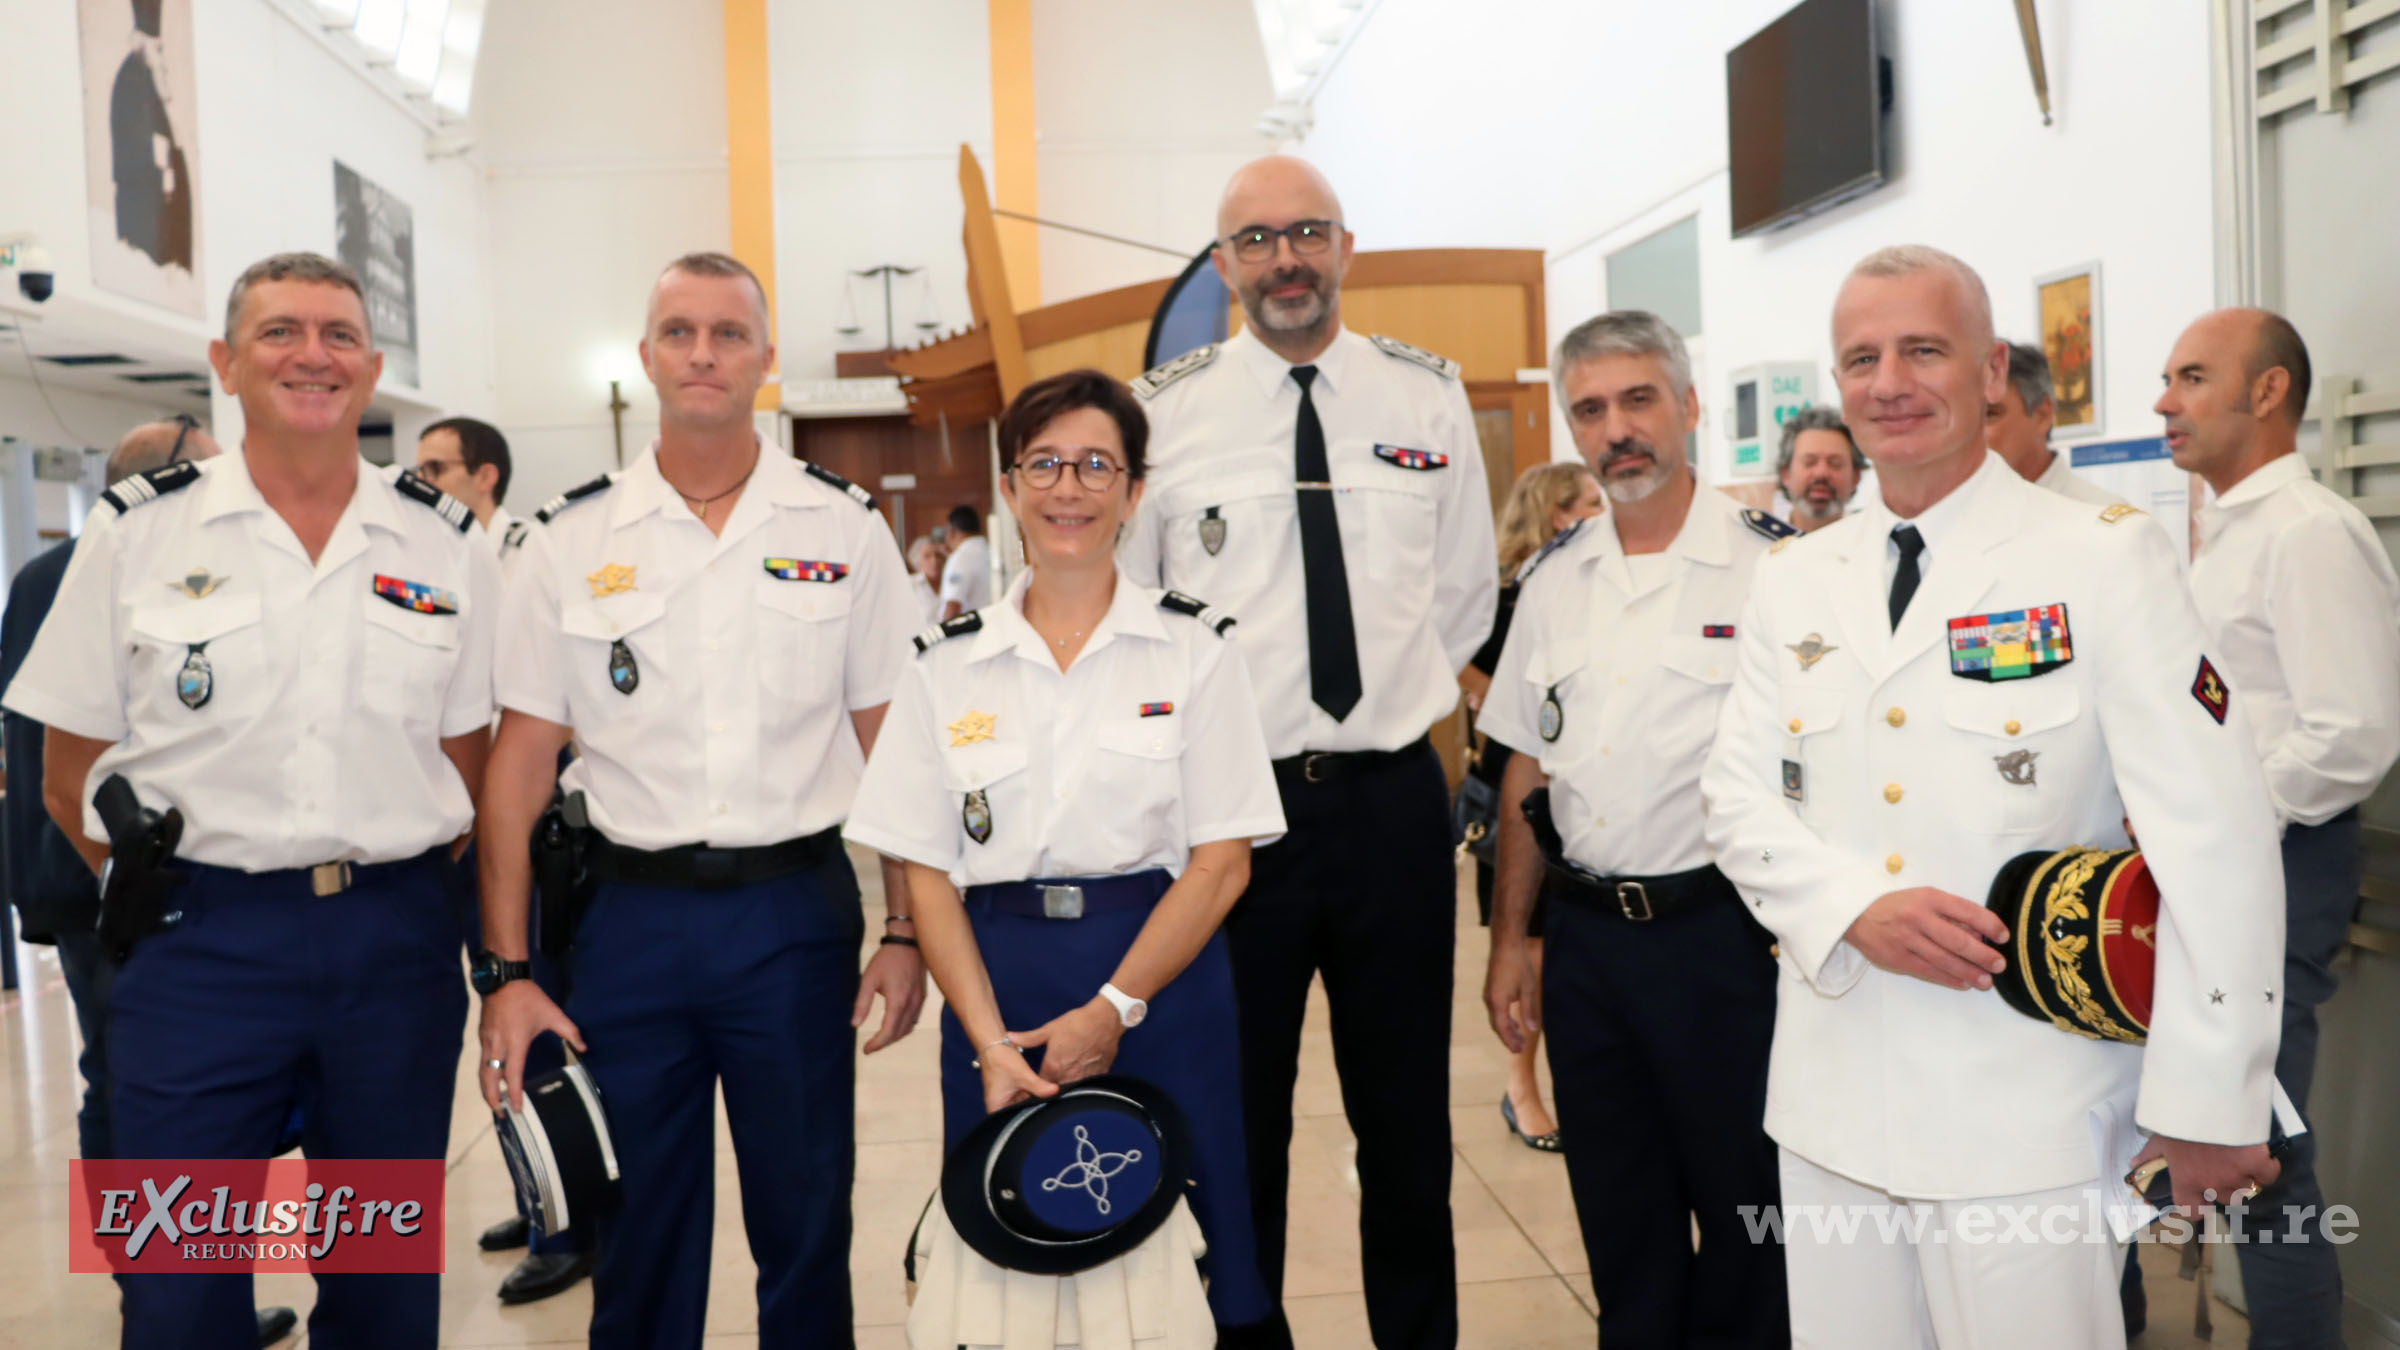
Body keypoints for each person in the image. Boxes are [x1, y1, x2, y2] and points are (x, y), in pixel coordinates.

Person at [1698, 244, 2286, 1348]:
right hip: (1833, 1095)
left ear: (1988, 377)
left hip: (2029, 1102)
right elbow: (1734, 792)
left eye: (1924, 349)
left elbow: (2215, 834)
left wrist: (2211, 1102)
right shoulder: (1796, 578)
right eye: (1862, 357)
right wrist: (1848, 907)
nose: (1889, 382)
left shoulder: (2102, 559)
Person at [2, 251, 501, 1348]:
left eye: (335, 334)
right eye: (280, 332)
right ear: (226, 362)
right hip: (196, 955)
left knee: (380, 1286)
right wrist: (170, 901)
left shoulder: (446, 542)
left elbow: (467, 767)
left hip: (389, 950)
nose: (310, 355)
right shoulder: (135, 532)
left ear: (370, 372)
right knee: (177, 1292)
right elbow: (65, 771)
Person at [472, 251, 927, 1349]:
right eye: (679, 332)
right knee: (641, 1228)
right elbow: (518, 769)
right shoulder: (567, 541)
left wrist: (907, 927)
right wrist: (508, 972)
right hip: (629, 926)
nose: (703, 353)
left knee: (808, 1218)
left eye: (728, 334)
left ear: (766, 361)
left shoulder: (843, 529)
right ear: (645, 358)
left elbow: (899, 751)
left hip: (792, 916)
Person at [1122, 154, 1496, 1348]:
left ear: (1346, 246)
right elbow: (1141, 616)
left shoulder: (1426, 398)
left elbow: (1461, 601)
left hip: (1391, 807)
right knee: (1240, 1122)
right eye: (1256, 240)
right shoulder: (1167, 413)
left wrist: (1371, 703)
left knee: (1404, 1124)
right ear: (1222, 264)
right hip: (1237, 826)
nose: (1285, 259)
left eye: (1307, 234)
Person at [846, 368, 1288, 1344]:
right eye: (1044, 464)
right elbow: (926, 871)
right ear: (1010, 487)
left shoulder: (1195, 650)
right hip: (997, 991)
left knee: (1197, 1248)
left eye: (1098, 465)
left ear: (1136, 492)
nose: (1069, 488)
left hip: (1159, 981)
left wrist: (1115, 1008)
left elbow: (1223, 863)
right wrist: (989, 1040)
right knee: (1018, 1254)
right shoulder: (942, 663)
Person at [1482, 312, 1793, 1347]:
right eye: (1592, 408)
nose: (1617, 429)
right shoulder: (1557, 580)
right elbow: (1530, 764)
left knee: (1751, 1222)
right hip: (1586, 947)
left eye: (1639, 399)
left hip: (1725, 942)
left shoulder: (1776, 573)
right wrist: (1510, 942)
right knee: (1621, 1218)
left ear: (1691, 405)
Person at [0, 418, 301, 1350]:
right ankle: (176, 1294)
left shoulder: (32, 578)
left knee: (114, 1083)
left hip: (71, 876)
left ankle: (158, 1291)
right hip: (124, 879)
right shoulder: (125, 568)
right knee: (160, 1094)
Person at [2165, 306, 2400, 1347]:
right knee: (2217, 1132)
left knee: (2264, 1150)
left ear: (2267, 394)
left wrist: (2214, 815)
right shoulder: (2224, 531)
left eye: (2191, 378)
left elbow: (2353, 734)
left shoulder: (2309, 532)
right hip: (2212, 867)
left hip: (2278, 862)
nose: (2165, 402)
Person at [1456, 459, 1599, 1154]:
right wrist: (1497, 702)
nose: (1599, 513)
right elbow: (1453, 653)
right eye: (1587, 503)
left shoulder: (1588, 586)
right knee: (1529, 951)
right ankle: (1522, 1088)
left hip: (1578, 784)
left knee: (1559, 953)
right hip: (1516, 785)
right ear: (1554, 513)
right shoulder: (1511, 593)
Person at [1988, 341, 2120, 506]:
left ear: (2042, 415)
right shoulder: (1965, 514)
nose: (1971, 433)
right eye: (1968, 417)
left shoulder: (2102, 517)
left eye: (1989, 414)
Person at [414, 415, 533, 562]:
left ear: (485, 477)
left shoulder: (529, 551)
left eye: (434, 468)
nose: (420, 481)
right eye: (419, 471)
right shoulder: (428, 552)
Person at [1774, 405, 1863, 532]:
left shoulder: (1877, 542)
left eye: (1835, 463)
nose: (1821, 473)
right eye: (1809, 462)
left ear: (1856, 477)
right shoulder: (1763, 545)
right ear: (1785, 474)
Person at [938, 503, 993, 620]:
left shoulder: (960, 558)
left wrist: (942, 635)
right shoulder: (989, 550)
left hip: (970, 634)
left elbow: (952, 607)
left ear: (951, 531)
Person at [907, 533, 944, 623]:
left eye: (938, 555)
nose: (934, 561)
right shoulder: (909, 584)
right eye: (927, 556)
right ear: (917, 561)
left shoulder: (952, 582)